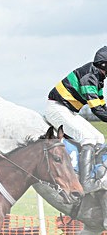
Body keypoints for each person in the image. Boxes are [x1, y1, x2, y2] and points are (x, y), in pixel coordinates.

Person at [45, 46, 107, 193]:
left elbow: (102, 105)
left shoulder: (98, 77)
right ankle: (86, 183)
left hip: (68, 110)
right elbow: (96, 109)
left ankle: (96, 175)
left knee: (99, 138)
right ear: (104, 64)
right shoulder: (90, 77)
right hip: (57, 108)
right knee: (87, 138)